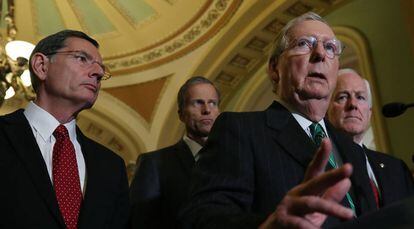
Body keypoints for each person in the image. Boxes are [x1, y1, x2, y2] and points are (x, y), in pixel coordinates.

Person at [180, 12, 381, 228]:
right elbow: (202, 217)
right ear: (275, 69)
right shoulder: (240, 130)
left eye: (330, 47)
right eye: (304, 44)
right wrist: (272, 225)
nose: (321, 54)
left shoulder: (351, 149)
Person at [0, 30, 129, 228]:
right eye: (82, 58)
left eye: (102, 69)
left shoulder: (112, 166)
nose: (99, 73)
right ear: (41, 66)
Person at [130, 76, 220, 228]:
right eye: (197, 102)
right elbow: (139, 222)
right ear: (181, 114)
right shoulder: (154, 163)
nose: (206, 110)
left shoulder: (235, 159)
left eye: (213, 103)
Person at [327, 68, 414, 208]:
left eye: (360, 97)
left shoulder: (396, 169)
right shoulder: (319, 165)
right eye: (343, 97)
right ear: (326, 109)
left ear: (369, 113)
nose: (353, 105)